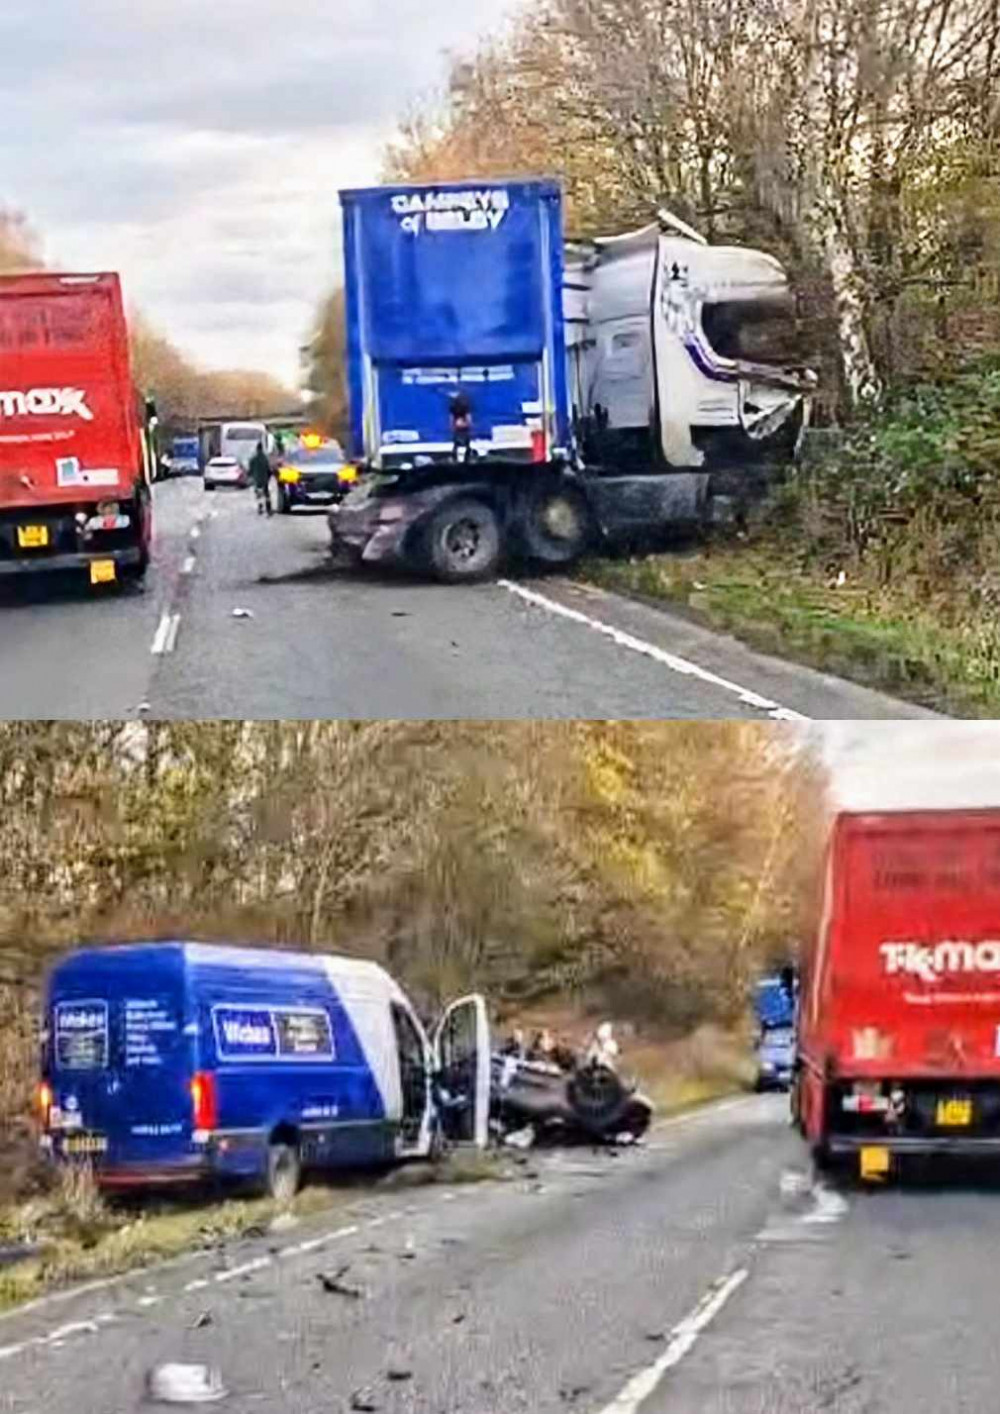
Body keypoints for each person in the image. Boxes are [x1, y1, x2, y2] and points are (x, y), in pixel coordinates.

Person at [249, 441, 273, 517]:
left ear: (257, 449)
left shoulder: (253, 458)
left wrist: (250, 476)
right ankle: (268, 508)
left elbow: (250, 469)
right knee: (266, 494)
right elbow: (268, 468)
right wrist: (269, 475)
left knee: (258, 494)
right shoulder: (265, 458)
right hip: (265, 479)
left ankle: (260, 507)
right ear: (262, 449)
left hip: (256, 479)